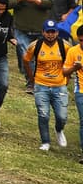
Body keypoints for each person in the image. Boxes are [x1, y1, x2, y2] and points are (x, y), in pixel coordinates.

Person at [24, 19, 71, 151]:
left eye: (53, 32)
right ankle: (45, 141)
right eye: (48, 32)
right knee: (43, 114)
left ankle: (59, 130)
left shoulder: (65, 46)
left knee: (62, 116)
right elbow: (26, 60)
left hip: (60, 85)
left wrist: (67, 78)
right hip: (41, 85)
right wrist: (32, 79)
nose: (51, 35)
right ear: (43, 32)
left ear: (57, 32)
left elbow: (70, 62)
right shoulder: (35, 45)